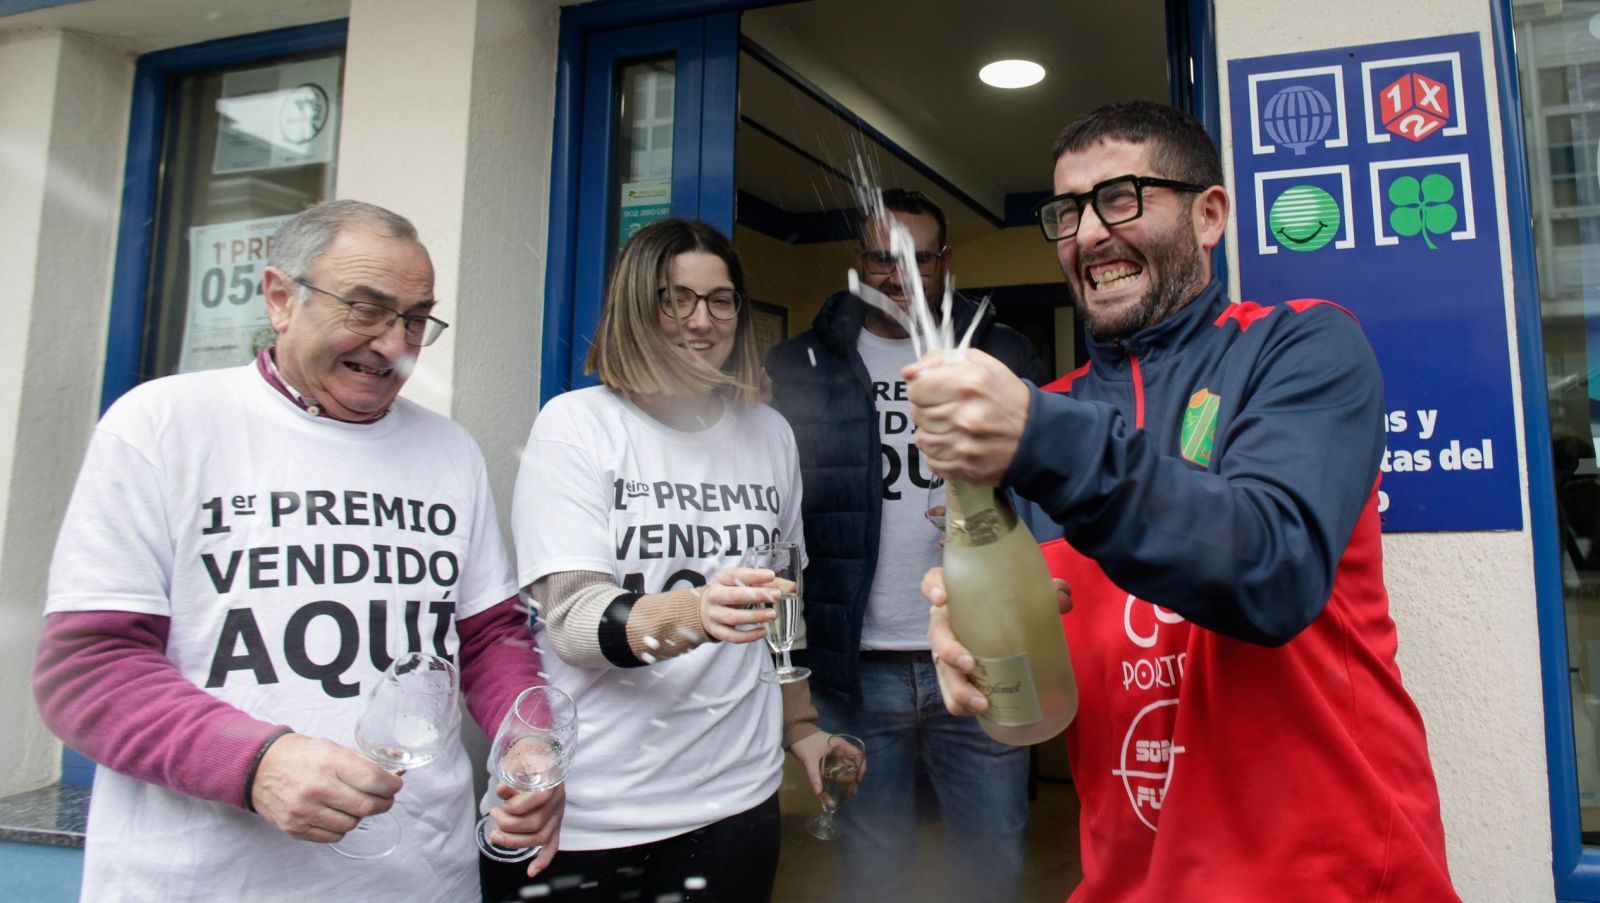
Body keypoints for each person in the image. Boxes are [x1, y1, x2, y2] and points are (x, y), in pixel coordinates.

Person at [911, 102, 1459, 900]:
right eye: (1067, 212)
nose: (1089, 232)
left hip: (1335, 879)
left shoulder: (1299, 346)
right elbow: (1036, 624)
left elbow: (1271, 567)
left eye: (1122, 197)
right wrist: (960, 623)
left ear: (1210, 216)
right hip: (1133, 881)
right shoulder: (1045, 424)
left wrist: (1038, 436)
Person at [32, 200, 563, 902]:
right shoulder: (161, 426)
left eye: (413, 319)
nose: (392, 343)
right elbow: (88, 671)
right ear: (281, 298)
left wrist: (527, 738)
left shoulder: (450, 450)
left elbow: (488, 634)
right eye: (366, 309)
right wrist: (257, 762)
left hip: (423, 880)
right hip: (204, 881)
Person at [492, 218, 853, 903]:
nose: (702, 319)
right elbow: (573, 621)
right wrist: (697, 612)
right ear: (635, 305)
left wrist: (799, 724)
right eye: (675, 298)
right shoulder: (577, 425)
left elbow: (785, 608)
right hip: (600, 806)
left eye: (721, 299)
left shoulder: (768, 433)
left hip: (736, 798)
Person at [765, 188, 1050, 901]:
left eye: (917, 259)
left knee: (993, 853)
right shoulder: (800, 365)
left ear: (944, 262)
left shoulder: (999, 355)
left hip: (981, 653)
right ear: (856, 264)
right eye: (881, 260)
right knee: (874, 863)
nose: (899, 277)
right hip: (856, 670)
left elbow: (1049, 489)